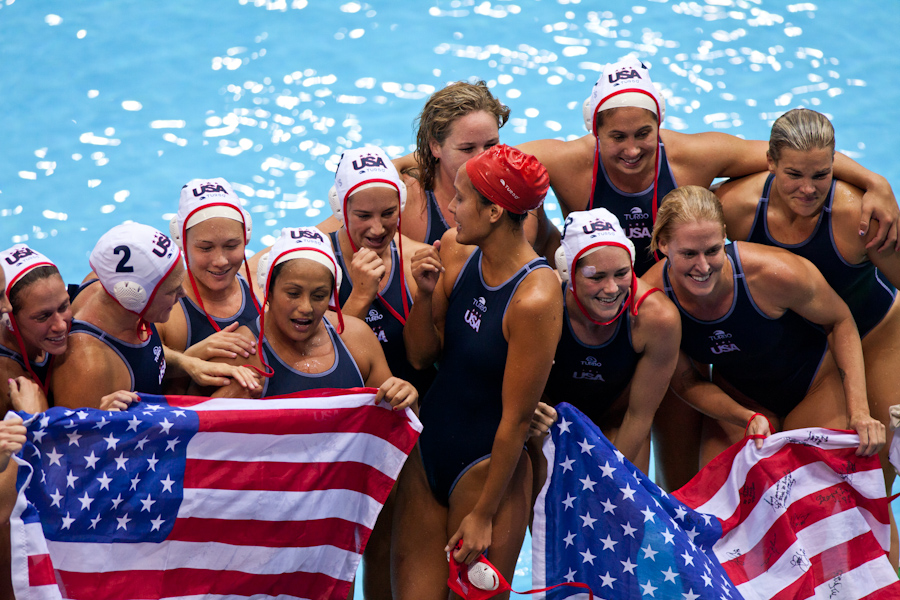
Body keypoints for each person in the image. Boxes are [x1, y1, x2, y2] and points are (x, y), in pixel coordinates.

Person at [518, 54, 899, 489]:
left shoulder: (694, 160)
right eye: (617, 136)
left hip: (706, 326)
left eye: (644, 133)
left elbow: (795, 158)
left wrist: (875, 183)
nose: (632, 148)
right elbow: (487, 163)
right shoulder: (569, 166)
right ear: (594, 132)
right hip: (645, 322)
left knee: (867, 463)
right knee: (670, 476)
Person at [715, 107, 900, 565]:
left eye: (821, 174)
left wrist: (877, 185)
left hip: (873, 333)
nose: (808, 188)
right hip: (795, 352)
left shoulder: (858, 215)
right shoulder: (736, 210)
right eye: (794, 173)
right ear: (770, 162)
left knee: (869, 477)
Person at [393, 145, 563, 599]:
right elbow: (420, 356)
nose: (449, 206)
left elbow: (516, 418)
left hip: (487, 474)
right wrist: (427, 297)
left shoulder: (536, 297)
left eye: (462, 198)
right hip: (427, 452)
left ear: (493, 211)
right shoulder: (455, 250)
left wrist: (485, 512)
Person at [641, 186, 884, 470]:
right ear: (662, 244)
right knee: (725, 501)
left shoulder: (772, 274)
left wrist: (860, 412)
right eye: (689, 254)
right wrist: (744, 416)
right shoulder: (654, 302)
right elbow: (687, 381)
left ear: (723, 235)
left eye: (712, 250)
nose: (703, 266)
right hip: (739, 395)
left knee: (824, 497)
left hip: (813, 385)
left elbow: (840, 320)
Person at [313, 80, 559, 260]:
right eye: (467, 148)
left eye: (491, 145)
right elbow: (327, 236)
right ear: (435, 147)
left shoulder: (517, 192)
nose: (482, 158)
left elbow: (552, 250)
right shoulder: (408, 200)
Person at [526, 208, 680, 481]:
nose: (611, 289)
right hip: (549, 424)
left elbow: (639, 415)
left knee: (623, 512)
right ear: (567, 273)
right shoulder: (541, 303)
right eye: (596, 277)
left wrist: (603, 481)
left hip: (619, 421)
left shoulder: (656, 318)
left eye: (621, 273)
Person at [50, 223, 259, 409]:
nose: (183, 294)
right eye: (172, 291)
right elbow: (78, 448)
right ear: (135, 296)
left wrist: (190, 363)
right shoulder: (88, 368)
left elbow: (143, 356)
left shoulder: (106, 283)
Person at [158, 178, 260, 362]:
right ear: (181, 242)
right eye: (205, 248)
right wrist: (191, 359)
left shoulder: (261, 288)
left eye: (231, 245)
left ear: (246, 237)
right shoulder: (165, 312)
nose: (220, 261)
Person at [0, 245, 70, 411]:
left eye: (63, 306)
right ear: (10, 318)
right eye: (43, 317)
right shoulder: (5, 375)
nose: (61, 326)